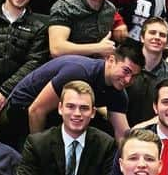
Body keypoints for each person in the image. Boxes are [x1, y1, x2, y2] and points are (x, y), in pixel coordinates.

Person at [12, 79, 116, 175]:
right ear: (60, 108)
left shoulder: (106, 144)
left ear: (93, 112)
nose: (77, 113)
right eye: (70, 106)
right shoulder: (37, 143)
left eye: (84, 108)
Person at [8, 43, 143, 136]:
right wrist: (38, 154)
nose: (128, 80)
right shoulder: (79, 72)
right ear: (111, 60)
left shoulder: (119, 91)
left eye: (134, 76)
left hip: (57, 115)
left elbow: (122, 134)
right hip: (22, 110)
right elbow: (36, 110)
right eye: (126, 71)